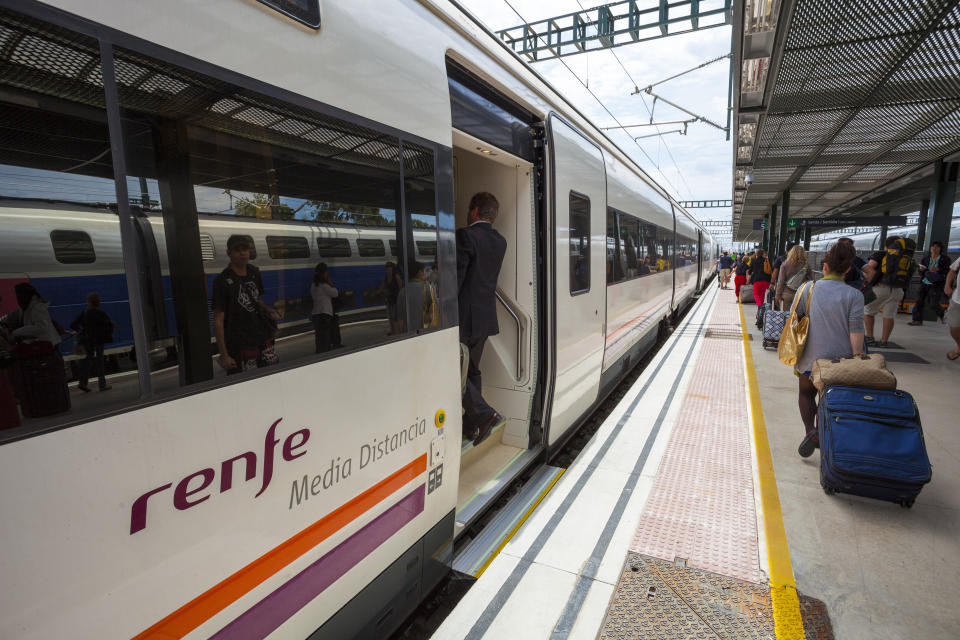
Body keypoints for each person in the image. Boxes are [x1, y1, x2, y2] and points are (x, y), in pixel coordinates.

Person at [793, 242, 865, 457]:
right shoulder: (854, 296)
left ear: (824, 267)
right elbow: (856, 331)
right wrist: (857, 358)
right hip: (838, 361)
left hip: (810, 357)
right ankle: (824, 434)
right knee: (829, 399)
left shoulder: (806, 288)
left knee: (806, 394)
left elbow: (796, 319)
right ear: (848, 269)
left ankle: (810, 431)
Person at [458, 192, 507, 445]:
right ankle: (471, 426)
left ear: (475, 210)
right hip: (486, 318)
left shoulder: (466, 235)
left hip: (465, 318)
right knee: (473, 370)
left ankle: (485, 415)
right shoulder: (500, 241)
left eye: (469, 209)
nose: (468, 213)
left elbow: (458, 278)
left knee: (455, 373)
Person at [212, 235, 282, 374]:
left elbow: (256, 299)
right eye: (237, 250)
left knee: (270, 376)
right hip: (239, 344)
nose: (242, 253)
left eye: (245, 249)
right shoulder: (222, 281)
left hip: (261, 338)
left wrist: (269, 310)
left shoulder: (254, 272)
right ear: (228, 253)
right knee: (244, 383)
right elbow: (218, 320)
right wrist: (224, 355)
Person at [862, 236, 915, 347]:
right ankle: (884, 341)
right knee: (889, 315)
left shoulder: (880, 254)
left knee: (868, 311)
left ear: (886, 245)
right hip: (898, 289)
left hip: (880, 288)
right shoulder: (906, 256)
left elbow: (870, 268)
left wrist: (867, 280)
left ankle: (870, 337)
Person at [70, 293, 113, 392]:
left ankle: (82, 383)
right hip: (99, 341)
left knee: (87, 362)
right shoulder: (101, 314)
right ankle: (102, 386)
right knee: (100, 362)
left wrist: (81, 330)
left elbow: (73, 324)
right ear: (98, 302)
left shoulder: (85, 313)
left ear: (89, 302)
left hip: (88, 341)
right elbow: (109, 327)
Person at [908, 241, 950, 326]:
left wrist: (939, 269)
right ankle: (917, 320)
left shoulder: (945, 259)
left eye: (937, 247)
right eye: (933, 247)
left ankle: (944, 315)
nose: (934, 248)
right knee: (919, 301)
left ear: (940, 249)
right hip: (924, 282)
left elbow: (948, 271)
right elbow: (921, 272)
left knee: (934, 303)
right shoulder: (926, 258)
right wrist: (921, 270)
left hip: (936, 283)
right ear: (930, 248)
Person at [10, 283, 61, 347]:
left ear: (26, 295)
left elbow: (41, 327)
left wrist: (16, 332)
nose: (18, 298)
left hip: (46, 345)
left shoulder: (37, 307)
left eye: (19, 295)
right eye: (17, 296)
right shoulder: (25, 307)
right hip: (40, 345)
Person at [310, 263, 339, 353]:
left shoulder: (313, 285)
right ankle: (325, 353)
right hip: (324, 314)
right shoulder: (324, 286)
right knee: (326, 336)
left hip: (315, 314)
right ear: (324, 273)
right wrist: (330, 283)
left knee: (318, 336)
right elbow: (335, 293)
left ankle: (319, 351)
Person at [774, 245, 810, 311]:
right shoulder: (806, 265)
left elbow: (781, 281)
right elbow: (810, 281)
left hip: (787, 294)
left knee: (786, 317)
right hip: (800, 295)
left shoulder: (785, 264)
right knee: (798, 318)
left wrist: (778, 295)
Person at [376, 262, 403, 335]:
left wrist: (400, 299)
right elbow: (382, 287)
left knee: (395, 317)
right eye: (387, 270)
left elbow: (401, 288)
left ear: (393, 270)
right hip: (389, 300)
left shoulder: (396, 277)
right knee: (390, 317)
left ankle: (397, 332)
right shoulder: (386, 278)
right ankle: (393, 331)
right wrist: (376, 293)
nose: (388, 271)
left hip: (396, 300)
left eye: (389, 270)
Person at [945, 257, 960, 360]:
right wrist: (947, 285)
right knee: (954, 328)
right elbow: (952, 270)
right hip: (957, 299)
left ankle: (958, 349)